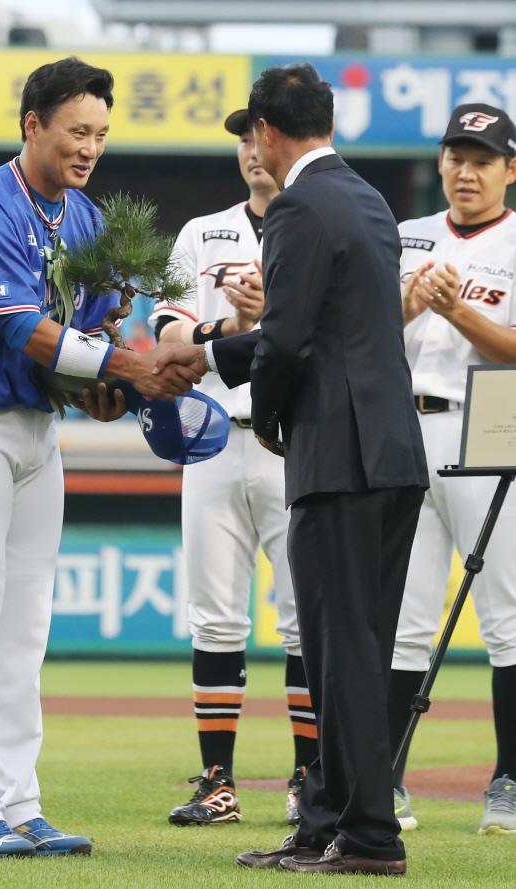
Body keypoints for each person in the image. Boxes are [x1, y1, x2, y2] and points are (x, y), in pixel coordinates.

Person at [0, 56, 198, 858]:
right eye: (77, 130)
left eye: (101, 132)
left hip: (34, 428)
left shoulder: (88, 219)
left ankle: (17, 799)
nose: (90, 146)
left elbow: (90, 338)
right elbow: (23, 330)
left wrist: (112, 380)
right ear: (33, 124)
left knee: (25, 625)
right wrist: (132, 369)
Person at [154, 62, 429, 876]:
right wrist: (208, 350)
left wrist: (260, 412)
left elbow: (288, 339)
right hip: (390, 452)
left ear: (268, 132)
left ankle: (369, 837)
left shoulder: (301, 205)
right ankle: (324, 824)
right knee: (356, 647)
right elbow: (332, 330)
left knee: (339, 649)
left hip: (336, 454)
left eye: (252, 132)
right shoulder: (370, 198)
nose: (252, 146)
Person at [150, 109, 317, 827]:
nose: (253, 149)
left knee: (305, 623)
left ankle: (310, 778)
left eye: (263, 136)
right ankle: (217, 779)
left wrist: (271, 313)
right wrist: (234, 326)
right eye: (243, 138)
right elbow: (166, 333)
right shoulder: (201, 232)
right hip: (214, 438)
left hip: (295, 437)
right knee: (214, 617)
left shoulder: (318, 224)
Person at [388, 103, 516, 837]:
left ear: (509, 169)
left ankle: (508, 778)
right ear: (439, 161)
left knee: (507, 616)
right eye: (455, 155)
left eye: (483, 158)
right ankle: (389, 778)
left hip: (489, 425)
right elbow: (365, 333)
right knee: (404, 619)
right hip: (405, 426)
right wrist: (407, 305)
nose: (466, 171)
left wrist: (459, 311)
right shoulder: (405, 236)